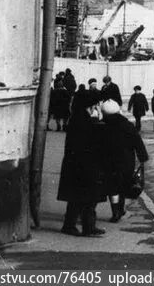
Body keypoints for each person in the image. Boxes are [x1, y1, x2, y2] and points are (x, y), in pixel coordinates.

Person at [57, 89, 106, 237]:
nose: (97, 106)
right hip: (83, 164)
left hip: (78, 164)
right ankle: (85, 227)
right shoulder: (82, 119)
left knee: (78, 198)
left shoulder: (79, 116)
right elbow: (89, 141)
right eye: (95, 103)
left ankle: (79, 225)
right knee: (86, 197)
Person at [100, 99, 149, 223]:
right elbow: (137, 142)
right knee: (122, 185)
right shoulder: (127, 125)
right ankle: (120, 209)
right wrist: (142, 157)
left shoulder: (102, 125)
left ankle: (115, 211)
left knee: (112, 187)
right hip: (126, 161)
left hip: (108, 161)